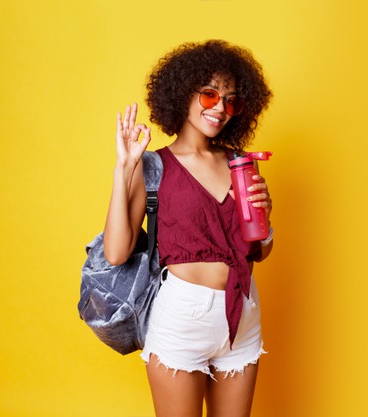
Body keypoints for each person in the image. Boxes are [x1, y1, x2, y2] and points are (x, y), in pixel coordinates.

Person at [102, 40, 273, 417]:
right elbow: (116, 252)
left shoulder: (241, 164)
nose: (220, 109)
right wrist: (123, 168)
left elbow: (258, 249)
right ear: (182, 93)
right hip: (181, 318)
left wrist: (265, 220)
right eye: (210, 95)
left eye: (231, 101)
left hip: (243, 313)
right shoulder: (152, 166)